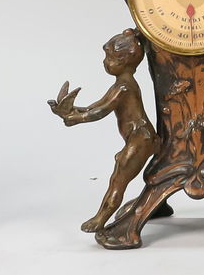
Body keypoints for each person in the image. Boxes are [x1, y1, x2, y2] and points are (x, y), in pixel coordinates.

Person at [49, 28, 161, 232]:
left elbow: (101, 111)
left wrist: (77, 119)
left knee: (118, 178)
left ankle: (101, 218)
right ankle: (155, 201)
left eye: (110, 58)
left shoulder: (124, 87)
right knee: (146, 172)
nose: (105, 62)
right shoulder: (120, 84)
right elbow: (96, 106)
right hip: (140, 137)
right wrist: (74, 111)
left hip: (141, 139)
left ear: (124, 61)